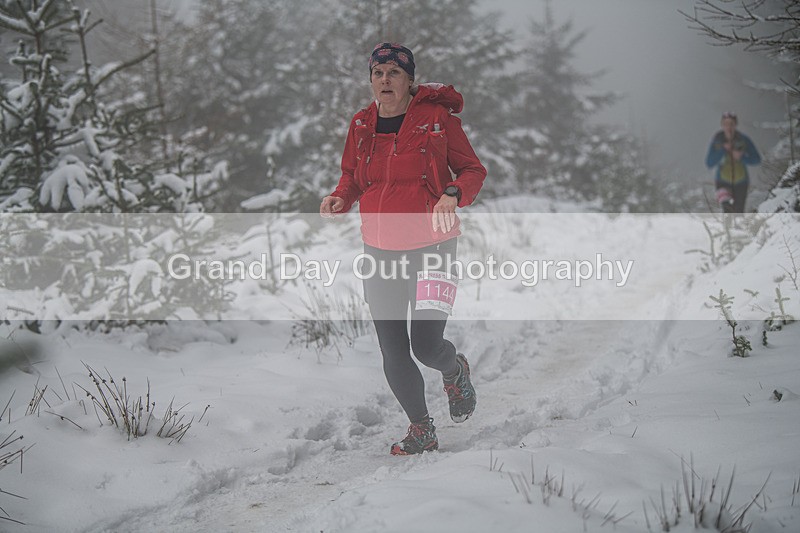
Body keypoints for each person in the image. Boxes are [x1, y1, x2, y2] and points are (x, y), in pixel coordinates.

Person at [320, 42, 487, 455]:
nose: (385, 80)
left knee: (426, 347)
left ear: (410, 79)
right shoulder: (361, 124)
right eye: (378, 73)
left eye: (394, 73)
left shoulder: (437, 119)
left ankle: (455, 370)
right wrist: (341, 197)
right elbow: (353, 177)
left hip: (434, 248)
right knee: (392, 349)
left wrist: (452, 194)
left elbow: (472, 170)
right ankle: (421, 428)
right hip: (379, 251)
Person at [705, 111, 761, 213]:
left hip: (741, 181)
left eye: (731, 124)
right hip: (722, 181)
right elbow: (709, 163)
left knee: (738, 212)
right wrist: (722, 150)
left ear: (735, 125)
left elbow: (757, 159)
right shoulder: (717, 140)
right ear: (722, 125)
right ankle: (727, 228)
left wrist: (742, 157)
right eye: (726, 124)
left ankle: (737, 229)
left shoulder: (744, 140)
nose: (728, 127)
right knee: (727, 211)